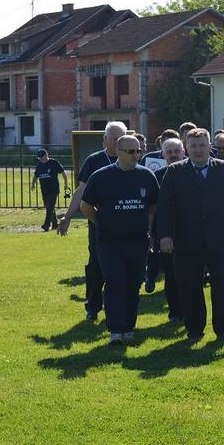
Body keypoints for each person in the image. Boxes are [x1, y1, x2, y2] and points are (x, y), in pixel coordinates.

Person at [157, 128, 224, 342]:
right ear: (186, 148)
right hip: (186, 241)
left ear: (210, 147)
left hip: (219, 239)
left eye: (202, 145)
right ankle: (195, 330)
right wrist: (165, 236)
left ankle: (223, 330)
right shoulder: (174, 172)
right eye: (193, 146)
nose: (198, 150)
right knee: (190, 287)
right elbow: (164, 208)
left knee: (222, 286)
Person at [80, 135, 158, 345]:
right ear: (118, 151)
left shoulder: (147, 176)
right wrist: (102, 223)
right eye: (131, 152)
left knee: (133, 284)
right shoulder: (101, 176)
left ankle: (128, 327)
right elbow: (86, 206)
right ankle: (115, 330)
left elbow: (153, 205)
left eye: (139, 151)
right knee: (115, 282)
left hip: (138, 240)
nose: (136, 155)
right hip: (110, 241)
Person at [58, 121, 127, 321]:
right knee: (96, 264)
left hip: (126, 222)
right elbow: (81, 191)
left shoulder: (131, 157)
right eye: (113, 138)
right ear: (105, 139)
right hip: (99, 222)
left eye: (121, 138)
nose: (117, 142)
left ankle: (120, 306)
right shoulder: (94, 160)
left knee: (124, 265)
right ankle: (93, 305)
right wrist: (67, 216)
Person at [146, 138, 186, 323]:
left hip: (190, 231)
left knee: (191, 274)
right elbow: (152, 208)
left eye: (176, 151)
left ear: (183, 152)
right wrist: (151, 233)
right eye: (169, 152)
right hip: (164, 232)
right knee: (171, 274)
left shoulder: (191, 172)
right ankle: (175, 313)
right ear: (162, 155)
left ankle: (189, 311)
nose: (173, 155)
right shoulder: (156, 176)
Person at [29, 148, 69, 231]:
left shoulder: (54, 162)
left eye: (42, 157)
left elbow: (63, 172)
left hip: (54, 189)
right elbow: (36, 175)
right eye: (39, 158)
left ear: (46, 155)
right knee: (49, 207)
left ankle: (46, 225)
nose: (41, 159)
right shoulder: (39, 165)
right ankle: (55, 225)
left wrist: (66, 183)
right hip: (44, 190)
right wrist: (33, 184)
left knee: (50, 207)